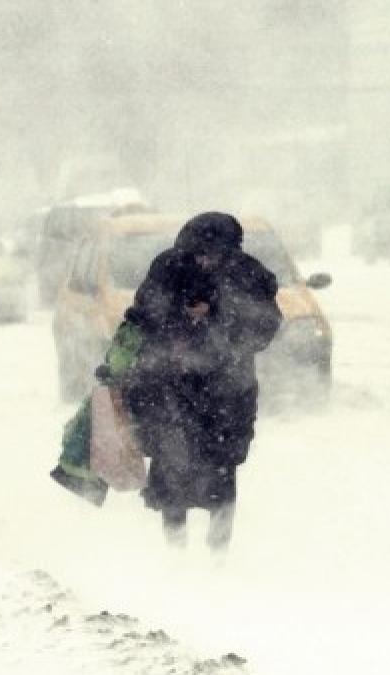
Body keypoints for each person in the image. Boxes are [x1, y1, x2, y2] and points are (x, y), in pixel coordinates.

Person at [122, 212, 282, 552]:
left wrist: (216, 319)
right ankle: (175, 552)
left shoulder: (246, 275)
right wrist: (176, 320)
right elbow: (142, 317)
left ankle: (217, 554)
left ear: (229, 252)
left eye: (212, 254)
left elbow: (265, 325)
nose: (204, 260)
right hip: (170, 391)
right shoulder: (167, 269)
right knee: (171, 471)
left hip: (225, 396)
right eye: (197, 254)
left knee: (221, 474)